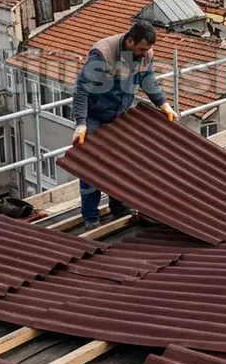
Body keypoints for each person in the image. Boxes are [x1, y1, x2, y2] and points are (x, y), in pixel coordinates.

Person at [72, 21, 178, 231]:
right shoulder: (103, 54)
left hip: (119, 113)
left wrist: (163, 103)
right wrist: (81, 123)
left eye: (147, 49)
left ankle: (118, 206)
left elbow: (148, 80)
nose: (144, 53)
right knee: (90, 164)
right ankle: (91, 215)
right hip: (95, 114)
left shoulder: (145, 54)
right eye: (141, 49)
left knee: (119, 161)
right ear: (130, 41)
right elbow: (82, 90)